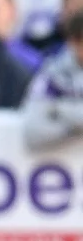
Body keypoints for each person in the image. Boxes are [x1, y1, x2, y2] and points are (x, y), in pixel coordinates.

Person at [22, 10, 83, 151]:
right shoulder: (52, 74)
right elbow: (32, 133)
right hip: (63, 164)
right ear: (72, 41)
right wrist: (76, 131)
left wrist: (59, 110)